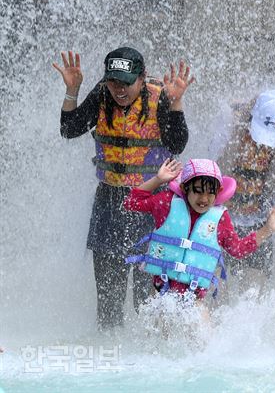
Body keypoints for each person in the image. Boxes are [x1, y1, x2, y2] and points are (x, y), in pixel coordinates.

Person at [54, 47, 193, 330]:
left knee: (149, 298)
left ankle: (152, 358)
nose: (120, 89)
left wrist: (176, 103)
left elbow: (177, 144)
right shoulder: (102, 94)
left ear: (142, 78)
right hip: (110, 202)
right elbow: (69, 129)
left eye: (126, 83)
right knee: (108, 299)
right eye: (114, 82)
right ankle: (112, 360)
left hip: (153, 204)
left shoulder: (160, 96)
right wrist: (72, 91)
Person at [123, 158, 275, 302]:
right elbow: (130, 202)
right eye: (198, 191)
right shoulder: (166, 203)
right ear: (185, 188)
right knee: (158, 331)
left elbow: (237, 249)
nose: (204, 199)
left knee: (201, 331)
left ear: (219, 192)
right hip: (161, 293)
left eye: (210, 193)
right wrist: (158, 180)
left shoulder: (220, 218)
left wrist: (267, 229)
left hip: (194, 300)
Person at [210, 90, 275, 296]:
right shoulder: (231, 121)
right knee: (217, 297)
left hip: (259, 223)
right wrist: (237, 130)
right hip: (222, 220)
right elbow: (214, 166)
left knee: (252, 299)